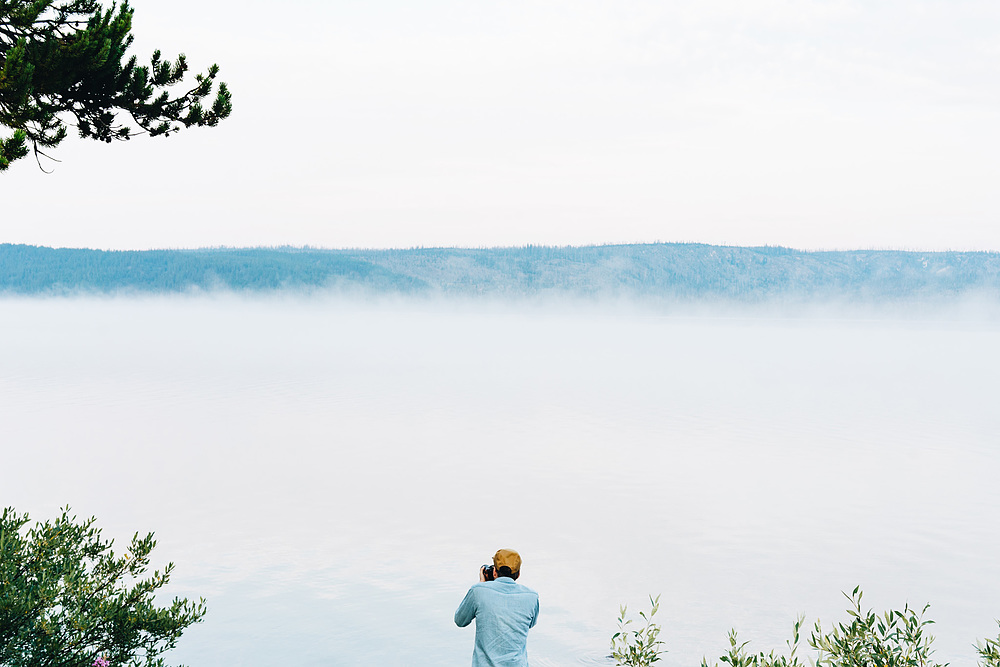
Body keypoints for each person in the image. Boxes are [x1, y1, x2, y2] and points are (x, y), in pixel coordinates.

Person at [454, 548, 539, 667]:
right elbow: (530, 624)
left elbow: (459, 621)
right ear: (518, 574)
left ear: (494, 572)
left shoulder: (478, 591)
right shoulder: (532, 597)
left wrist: (482, 584)